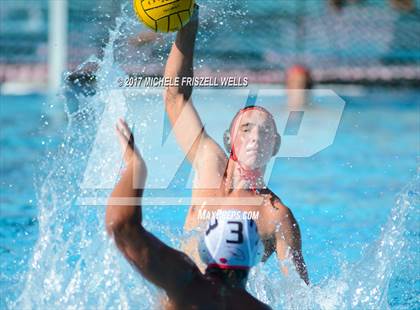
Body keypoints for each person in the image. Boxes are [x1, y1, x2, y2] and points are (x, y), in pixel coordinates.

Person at [163, 6, 309, 285]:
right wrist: (187, 24)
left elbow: (300, 296)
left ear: (275, 146)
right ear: (229, 139)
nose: (255, 137)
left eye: (265, 132)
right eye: (246, 128)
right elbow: (175, 97)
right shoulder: (208, 162)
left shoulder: (275, 214)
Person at [106, 119, 271, 309]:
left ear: (204, 248)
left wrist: (135, 166)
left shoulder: (185, 283)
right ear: (255, 254)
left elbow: (121, 226)